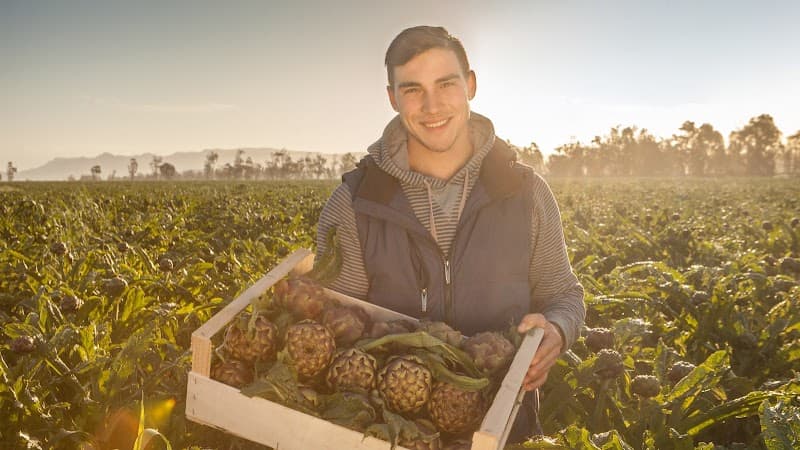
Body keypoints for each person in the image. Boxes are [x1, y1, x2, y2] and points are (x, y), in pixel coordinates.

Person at [315, 25, 585, 441]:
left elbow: (563, 294)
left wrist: (557, 330)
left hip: (508, 432)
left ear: (470, 85)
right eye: (412, 90)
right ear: (392, 98)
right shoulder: (353, 205)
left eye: (446, 84)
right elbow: (335, 329)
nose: (432, 105)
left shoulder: (526, 193)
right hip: (388, 434)